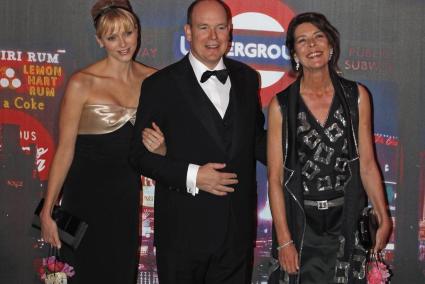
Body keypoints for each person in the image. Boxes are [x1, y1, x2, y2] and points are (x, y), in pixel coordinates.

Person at [130, 0, 266, 283]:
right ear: (188, 32)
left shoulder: (247, 78)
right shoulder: (160, 84)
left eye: (220, 28)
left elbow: (255, 141)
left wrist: (296, 147)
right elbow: (139, 156)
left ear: (230, 31)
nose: (213, 37)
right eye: (203, 28)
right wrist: (194, 175)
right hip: (182, 234)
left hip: (236, 233)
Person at [39, 1, 164, 283]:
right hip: (82, 199)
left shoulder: (155, 80)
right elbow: (65, 150)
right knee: (82, 273)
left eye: (128, 33)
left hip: (125, 198)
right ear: (99, 40)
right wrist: (48, 211)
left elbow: (166, 146)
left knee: (120, 272)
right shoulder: (82, 83)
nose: (123, 43)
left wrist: (162, 147)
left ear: (137, 32)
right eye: (112, 37)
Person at [267, 12, 391, 284]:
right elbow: (275, 179)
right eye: (302, 41)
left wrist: (383, 216)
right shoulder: (281, 106)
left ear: (331, 45)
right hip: (302, 225)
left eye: (318, 37)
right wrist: (285, 240)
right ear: (294, 54)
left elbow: (368, 165)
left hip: (346, 220)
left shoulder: (356, 96)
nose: (312, 45)